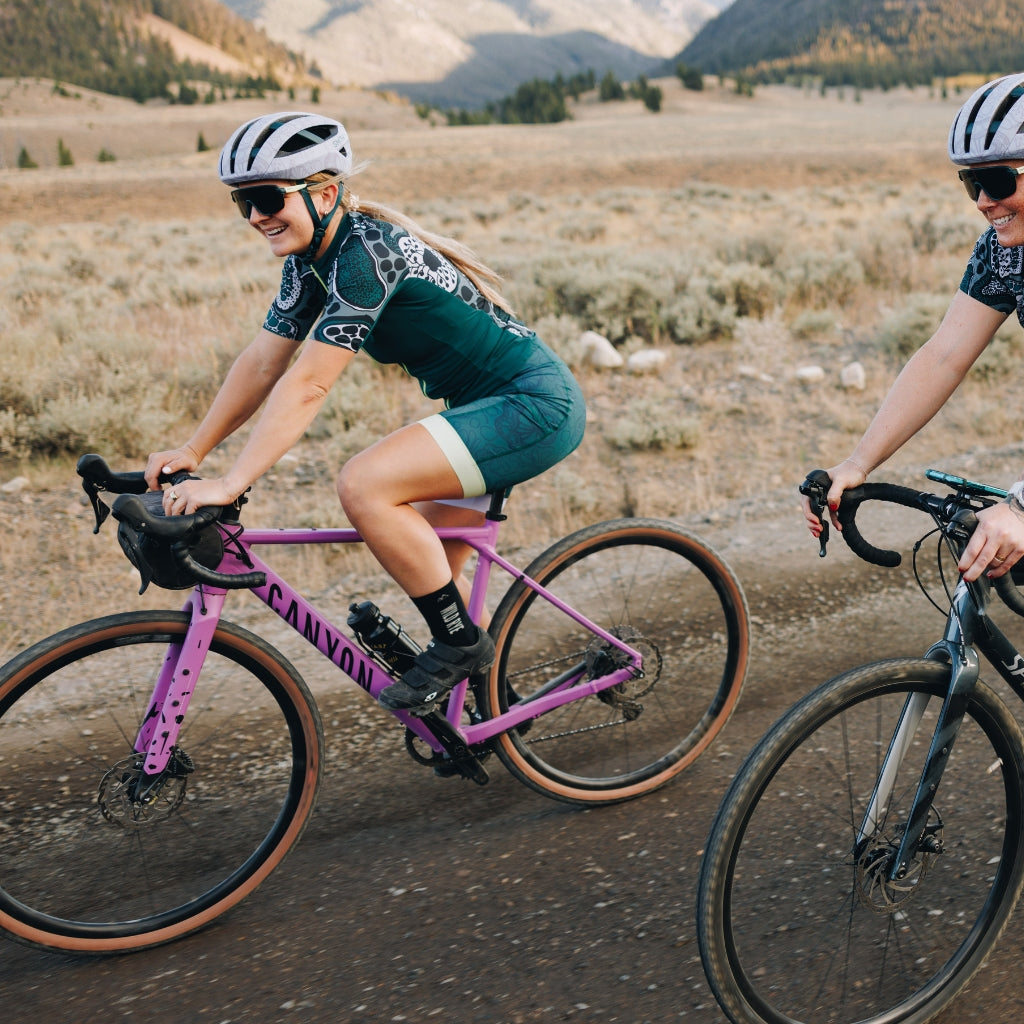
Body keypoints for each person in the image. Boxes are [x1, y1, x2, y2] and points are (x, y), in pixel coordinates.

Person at [145, 111, 586, 714]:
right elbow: (262, 364)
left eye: (268, 197)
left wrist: (230, 482)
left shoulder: (364, 256)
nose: (254, 216)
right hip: (486, 406)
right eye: (241, 202)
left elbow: (308, 384)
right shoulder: (308, 263)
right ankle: (497, 711)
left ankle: (461, 645)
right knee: (434, 561)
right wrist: (194, 451)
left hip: (532, 406)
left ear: (325, 193)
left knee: (365, 485)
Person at [802, 72, 1024, 583]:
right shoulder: (1002, 253)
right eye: (971, 183)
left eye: (997, 181)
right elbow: (943, 355)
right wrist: (858, 464)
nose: (982, 203)